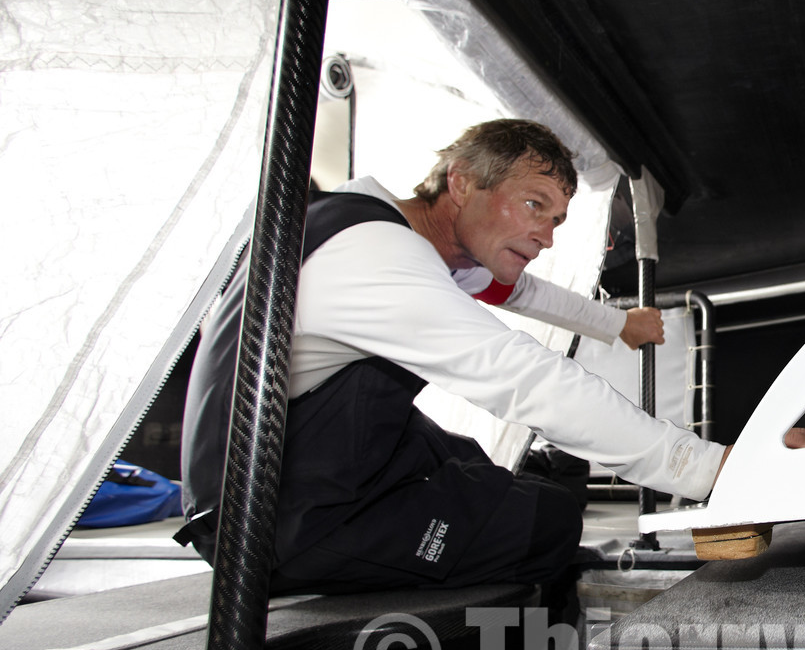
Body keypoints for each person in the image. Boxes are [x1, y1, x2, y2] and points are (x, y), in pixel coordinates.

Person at [180, 119, 735, 593]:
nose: (546, 237)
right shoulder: (376, 256)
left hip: (307, 456)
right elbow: (523, 378)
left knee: (476, 463)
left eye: (556, 221)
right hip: (264, 522)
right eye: (533, 205)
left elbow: (522, 293)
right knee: (550, 520)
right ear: (462, 182)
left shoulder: (382, 225)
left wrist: (619, 324)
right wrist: (708, 469)